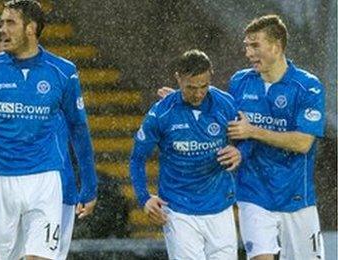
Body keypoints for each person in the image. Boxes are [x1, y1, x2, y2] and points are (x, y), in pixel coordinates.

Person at [0, 1, 98, 259]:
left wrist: (90, 185)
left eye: (10, 22)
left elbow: (78, 129)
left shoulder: (63, 71)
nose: (3, 29)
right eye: (2, 23)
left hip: (44, 179)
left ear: (31, 28)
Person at [228, 15, 326, 260]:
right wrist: (179, 101)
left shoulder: (307, 87)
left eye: (255, 46)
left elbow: (303, 143)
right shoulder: (240, 82)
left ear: (277, 46)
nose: (248, 53)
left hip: (296, 197)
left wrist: (253, 131)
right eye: (247, 46)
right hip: (253, 193)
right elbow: (222, 113)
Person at [130, 50, 243, 259]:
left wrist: (239, 152)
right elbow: (137, 158)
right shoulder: (161, 113)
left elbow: (245, 138)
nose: (199, 93)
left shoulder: (225, 104)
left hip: (220, 207)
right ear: (178, 79)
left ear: (211, 76)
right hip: (179, 211)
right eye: (191, 87)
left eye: (204, 86)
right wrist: (144, 197)